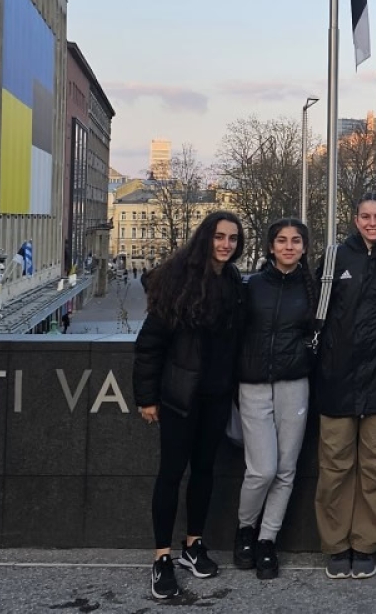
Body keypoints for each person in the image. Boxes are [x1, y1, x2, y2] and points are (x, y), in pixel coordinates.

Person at [132, 210, 246, 601]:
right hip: (180, 396)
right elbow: (150, 344)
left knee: (204, 472)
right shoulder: (178, 280)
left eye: (232, 238)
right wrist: (146, 397)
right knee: (171, 473)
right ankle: (162, 556)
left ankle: (193, 544)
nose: (225, 244)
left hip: (216, 396)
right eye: (219, 236)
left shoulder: (233, 281)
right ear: (205, 238)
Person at [315, 192, 376, 580]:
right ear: (355, 220)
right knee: (334, 468)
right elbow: (316, 314)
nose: (372, 223)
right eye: (365, 216)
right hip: (337, 380)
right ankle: (336, 545)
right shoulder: (336, 258)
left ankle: (366, 545)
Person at [232, 219, 317, 580]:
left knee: (285, 470)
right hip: (253, 383)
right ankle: (245, 529)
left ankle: (268, 539)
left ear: (304, 247)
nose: (288, 246)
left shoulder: (312, 288)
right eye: (281, 241)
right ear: (270, 247)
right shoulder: (251, 286)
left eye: (296, 241)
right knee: (261, 469)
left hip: (294, 382)